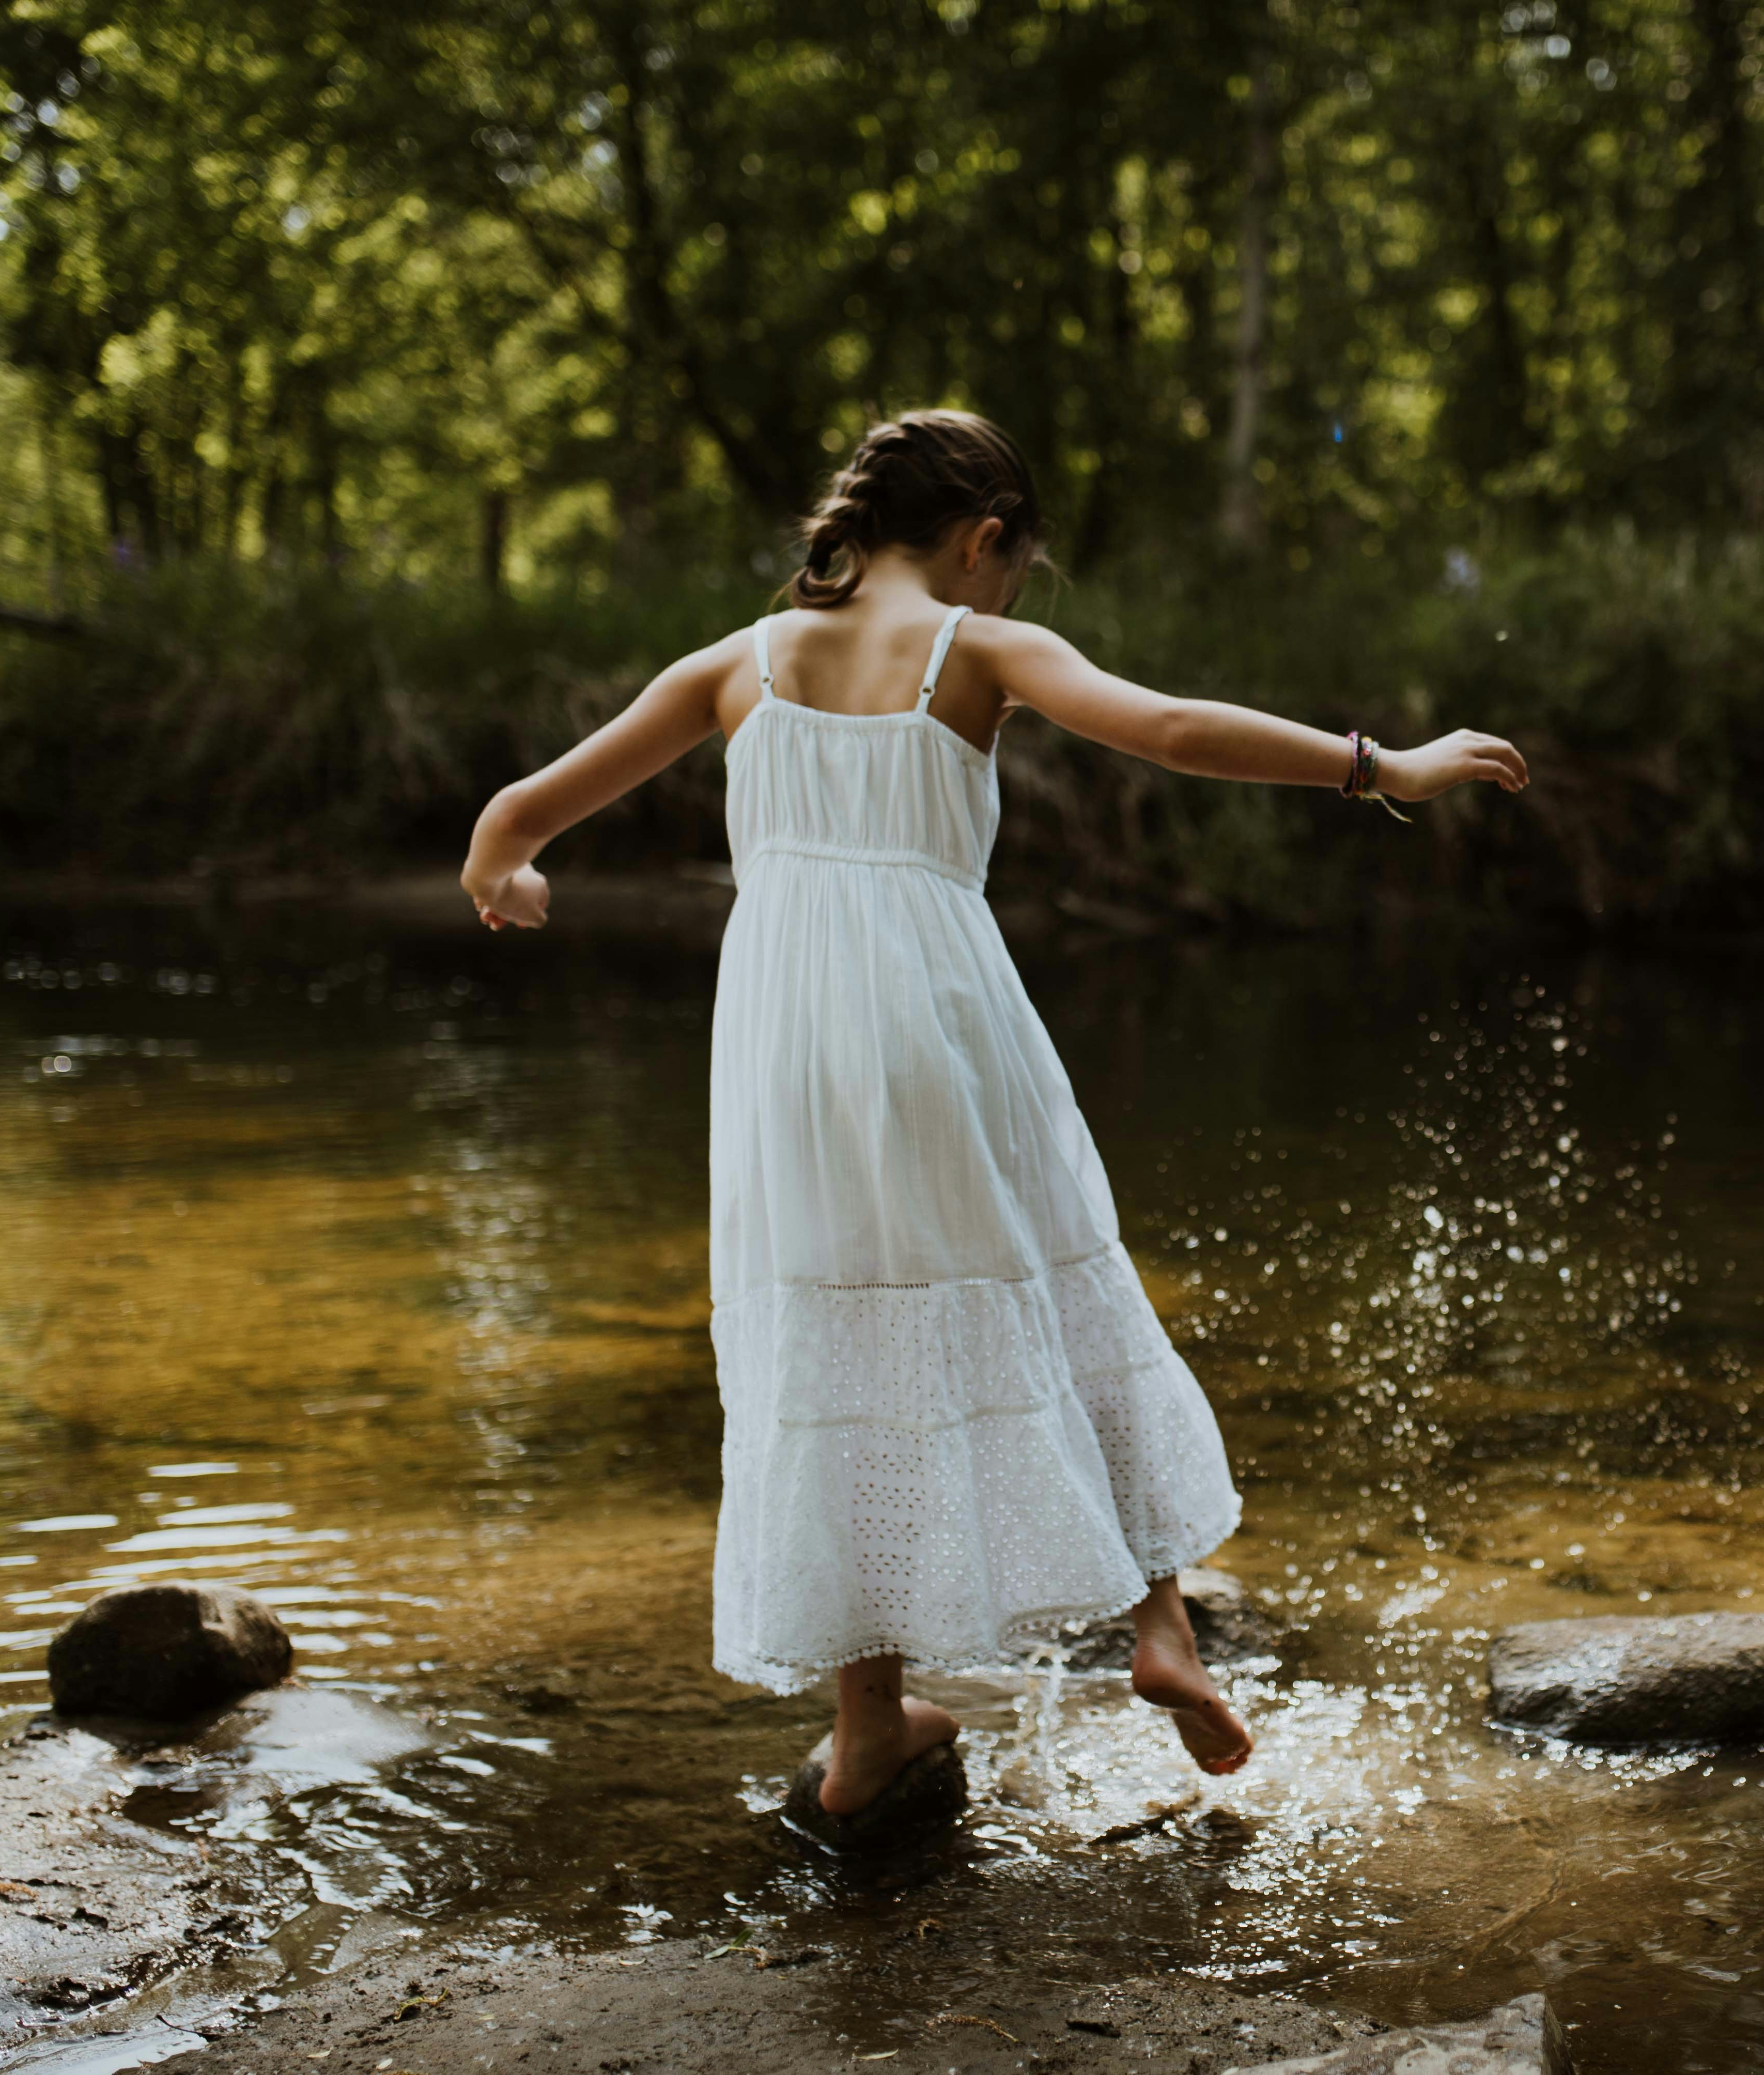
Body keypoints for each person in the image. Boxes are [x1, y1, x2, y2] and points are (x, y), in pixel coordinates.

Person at [456, 409, 1527, 1818]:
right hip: (942, 1023)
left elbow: (518, 814)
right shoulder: (975, 652)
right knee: (1055, 1275)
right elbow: (1171, 730)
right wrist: (1384, 768)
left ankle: (867, 1734)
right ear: (982, 542)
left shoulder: (733, 667)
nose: (1012, 594)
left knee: (834, 1332)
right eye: (1015, 569)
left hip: (785, 1058)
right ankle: (1160, 1627)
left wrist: (505, 881)